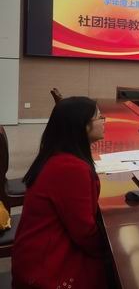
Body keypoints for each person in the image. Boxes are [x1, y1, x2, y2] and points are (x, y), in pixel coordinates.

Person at [12, 97, 108, 289]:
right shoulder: (71, 168)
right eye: (99, 117)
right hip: (46, 267)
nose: (104, 121)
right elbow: (85, 233)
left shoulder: (57, 154)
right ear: (83, 126)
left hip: (34, 253)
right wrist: (112, 251)